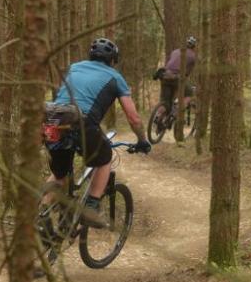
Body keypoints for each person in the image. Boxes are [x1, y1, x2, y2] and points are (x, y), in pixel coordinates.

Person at [46, 37, 151, 227]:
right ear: (113, 60)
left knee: (59, 175)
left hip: (53, 119)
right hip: (82, 122)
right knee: (104, 159)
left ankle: (40, 217)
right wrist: (142, 140)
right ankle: (91, 208)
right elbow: (133, 118)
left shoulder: (74, 67)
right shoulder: (115, 76)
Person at [159, 35, 198, 112]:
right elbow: (187, 72)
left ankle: (158, 118)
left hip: (164, 75)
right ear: (194, 47)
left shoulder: (175, 51)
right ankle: (177, 111)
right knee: (190, 93)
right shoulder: (193, 56)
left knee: (165, 103)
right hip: (175, 78)